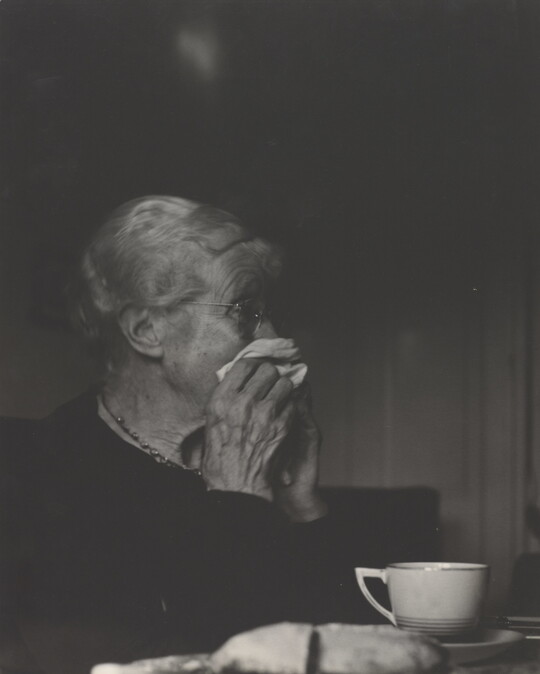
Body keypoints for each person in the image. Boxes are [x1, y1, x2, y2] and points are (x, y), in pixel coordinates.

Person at [1, 196, 374, 674]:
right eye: (244, 311)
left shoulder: (256, 451)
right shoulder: (45, 471)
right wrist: (237, 498)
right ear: (146, 330)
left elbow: (361, 654)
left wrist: (304, 507)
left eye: (268, 312)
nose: (273, 335)